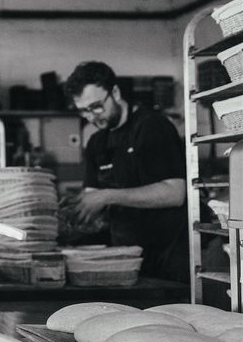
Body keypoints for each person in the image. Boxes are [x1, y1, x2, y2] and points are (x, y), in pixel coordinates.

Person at [64, 61, 189, 282]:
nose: (92, 116)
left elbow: (175, 193)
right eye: (84, 111)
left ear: (115, 92)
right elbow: (93, 198)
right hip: (124, 257)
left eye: (96, 106)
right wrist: (74, 212)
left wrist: (107, 196)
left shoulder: (151, 127)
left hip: (167, 257)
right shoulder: (96, 143)